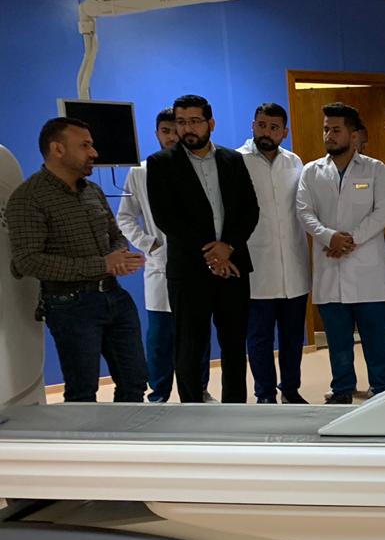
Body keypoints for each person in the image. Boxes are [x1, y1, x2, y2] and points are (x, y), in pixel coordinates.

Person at [7, 116, 147, 402]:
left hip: (114, 297)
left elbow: (115, 234)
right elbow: (28, 261)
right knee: (83, 392)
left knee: (135, 382)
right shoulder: (28, 198)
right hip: (70, 306)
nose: (94, 152)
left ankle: (127, 432)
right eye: (85, 145)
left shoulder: (93, 191)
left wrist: (119, 255)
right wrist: (102, 264)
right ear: (57, 149)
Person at [147, 94, 259, 404]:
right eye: (181, 122)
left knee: (234, 345)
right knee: (189, 347)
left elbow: (249, 210)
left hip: (233, 266)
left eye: (195, 121)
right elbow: (166, 218)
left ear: (211, 123)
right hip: (189, 270)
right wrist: (211, 253)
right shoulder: (161, 164)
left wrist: (228, 247)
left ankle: (235, 408)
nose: (187, 128)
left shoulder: (232, 160)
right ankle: (193, 411)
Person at [296, 102, 385, 404]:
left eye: (336, 130)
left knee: (376, 339)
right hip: (330, 269)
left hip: (367, 271)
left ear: (353, 135)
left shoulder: (375, 169)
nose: (329, 135)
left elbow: (384, 211)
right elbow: (304, 211)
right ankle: (342, 388)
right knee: (338, 341)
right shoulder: (311, 171)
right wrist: (329, 237)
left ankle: (382, 387)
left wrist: (350, 239)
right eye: (326, 129)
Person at [118, 109, 211, 403]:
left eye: (176, 130)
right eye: (165, 131)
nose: (172, 136)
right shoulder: (141, 172)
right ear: (157, 134)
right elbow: (125, 218)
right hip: (161, 265)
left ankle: (199, 389)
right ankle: (159, 393)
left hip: (197, 265)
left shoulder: (203, 169)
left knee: (197, 334)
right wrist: (150, 244)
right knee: (160, 337)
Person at [238, 102, 309, 404]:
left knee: (293, 337)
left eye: (274, 127)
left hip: (293, 266)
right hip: (257, 268)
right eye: (262, 125)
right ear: (253, 126)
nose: (267, 132)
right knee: (259, 338)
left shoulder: (294, 162)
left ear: (285, 132)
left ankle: (290, 390)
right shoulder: (237, 161)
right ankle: (265, 394)